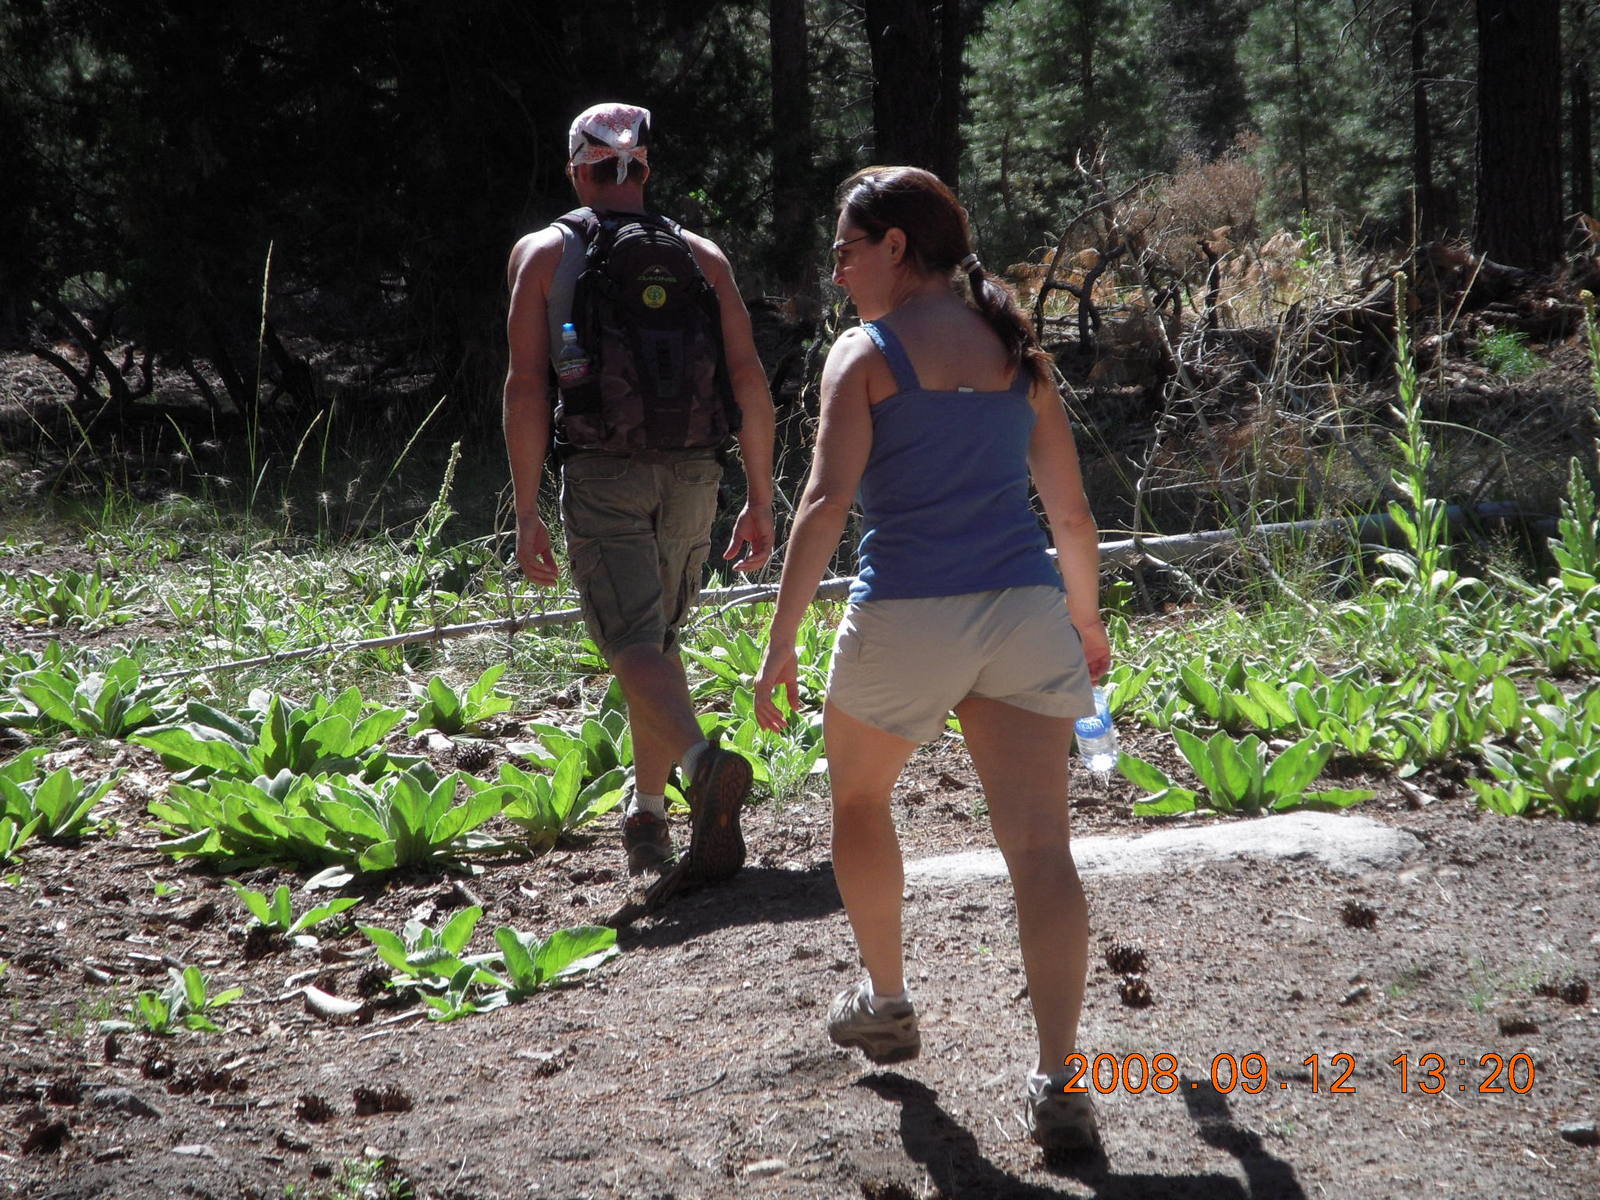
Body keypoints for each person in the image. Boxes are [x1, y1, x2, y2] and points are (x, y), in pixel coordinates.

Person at [752, 167, 1111, 1156]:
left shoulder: (865, 353)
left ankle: (887, 1001)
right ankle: (1061, 1081)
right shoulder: (1019, 355)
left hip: (906, 616)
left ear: (896, 247)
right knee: (1041, 851)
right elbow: (1072, 515)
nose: (837, 270)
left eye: (846, 250)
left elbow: (826, 503)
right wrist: (1084, 622)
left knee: (861, 800)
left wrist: (781, 641)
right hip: (1024, 612)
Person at [504, 102, 776, 883]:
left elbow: (527, 386)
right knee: (656, 645)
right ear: (643, 169)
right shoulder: (702, 256)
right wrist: (760, 496)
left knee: (631, 644)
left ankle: (699, 766)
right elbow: (748, 380)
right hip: (696, 472)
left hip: (604, 469)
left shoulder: (542, 252)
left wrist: (526, 508)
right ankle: (648, 817)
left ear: (578, 171)